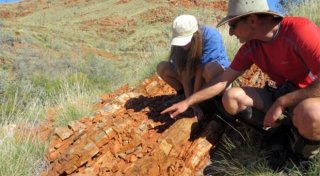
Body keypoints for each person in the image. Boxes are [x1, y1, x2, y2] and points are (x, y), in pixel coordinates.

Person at [161, 0, 320, 168]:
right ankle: (279, 135)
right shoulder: (251, 47)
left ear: (252, 20)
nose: (230, 33)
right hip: (283, 93)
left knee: (311, 112)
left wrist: (283, 102)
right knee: (232, 97)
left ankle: (301, 156)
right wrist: (188, 101)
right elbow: (222, 81)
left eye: (233, 25)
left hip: (308, 97)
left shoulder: (299, 30)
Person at [157, 14, 230, 118]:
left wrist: (193, 101)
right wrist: (189, 99)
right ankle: (183, 95)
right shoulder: (178, 45)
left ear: (195, 34)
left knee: (209, 69)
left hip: (214, 78)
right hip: (193, 77)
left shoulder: (211, 36)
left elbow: (201, 69)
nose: (182, 45)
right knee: (162, 67)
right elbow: (184, 73)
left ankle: (219, 101)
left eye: (185, 40)